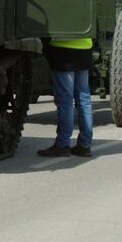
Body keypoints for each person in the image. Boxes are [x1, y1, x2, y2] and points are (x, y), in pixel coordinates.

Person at [38, 29, 94, 159]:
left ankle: (62, 144)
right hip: (84, 46)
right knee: (83, 99)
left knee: (65, 101)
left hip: (63, 49)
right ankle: (85, 145)